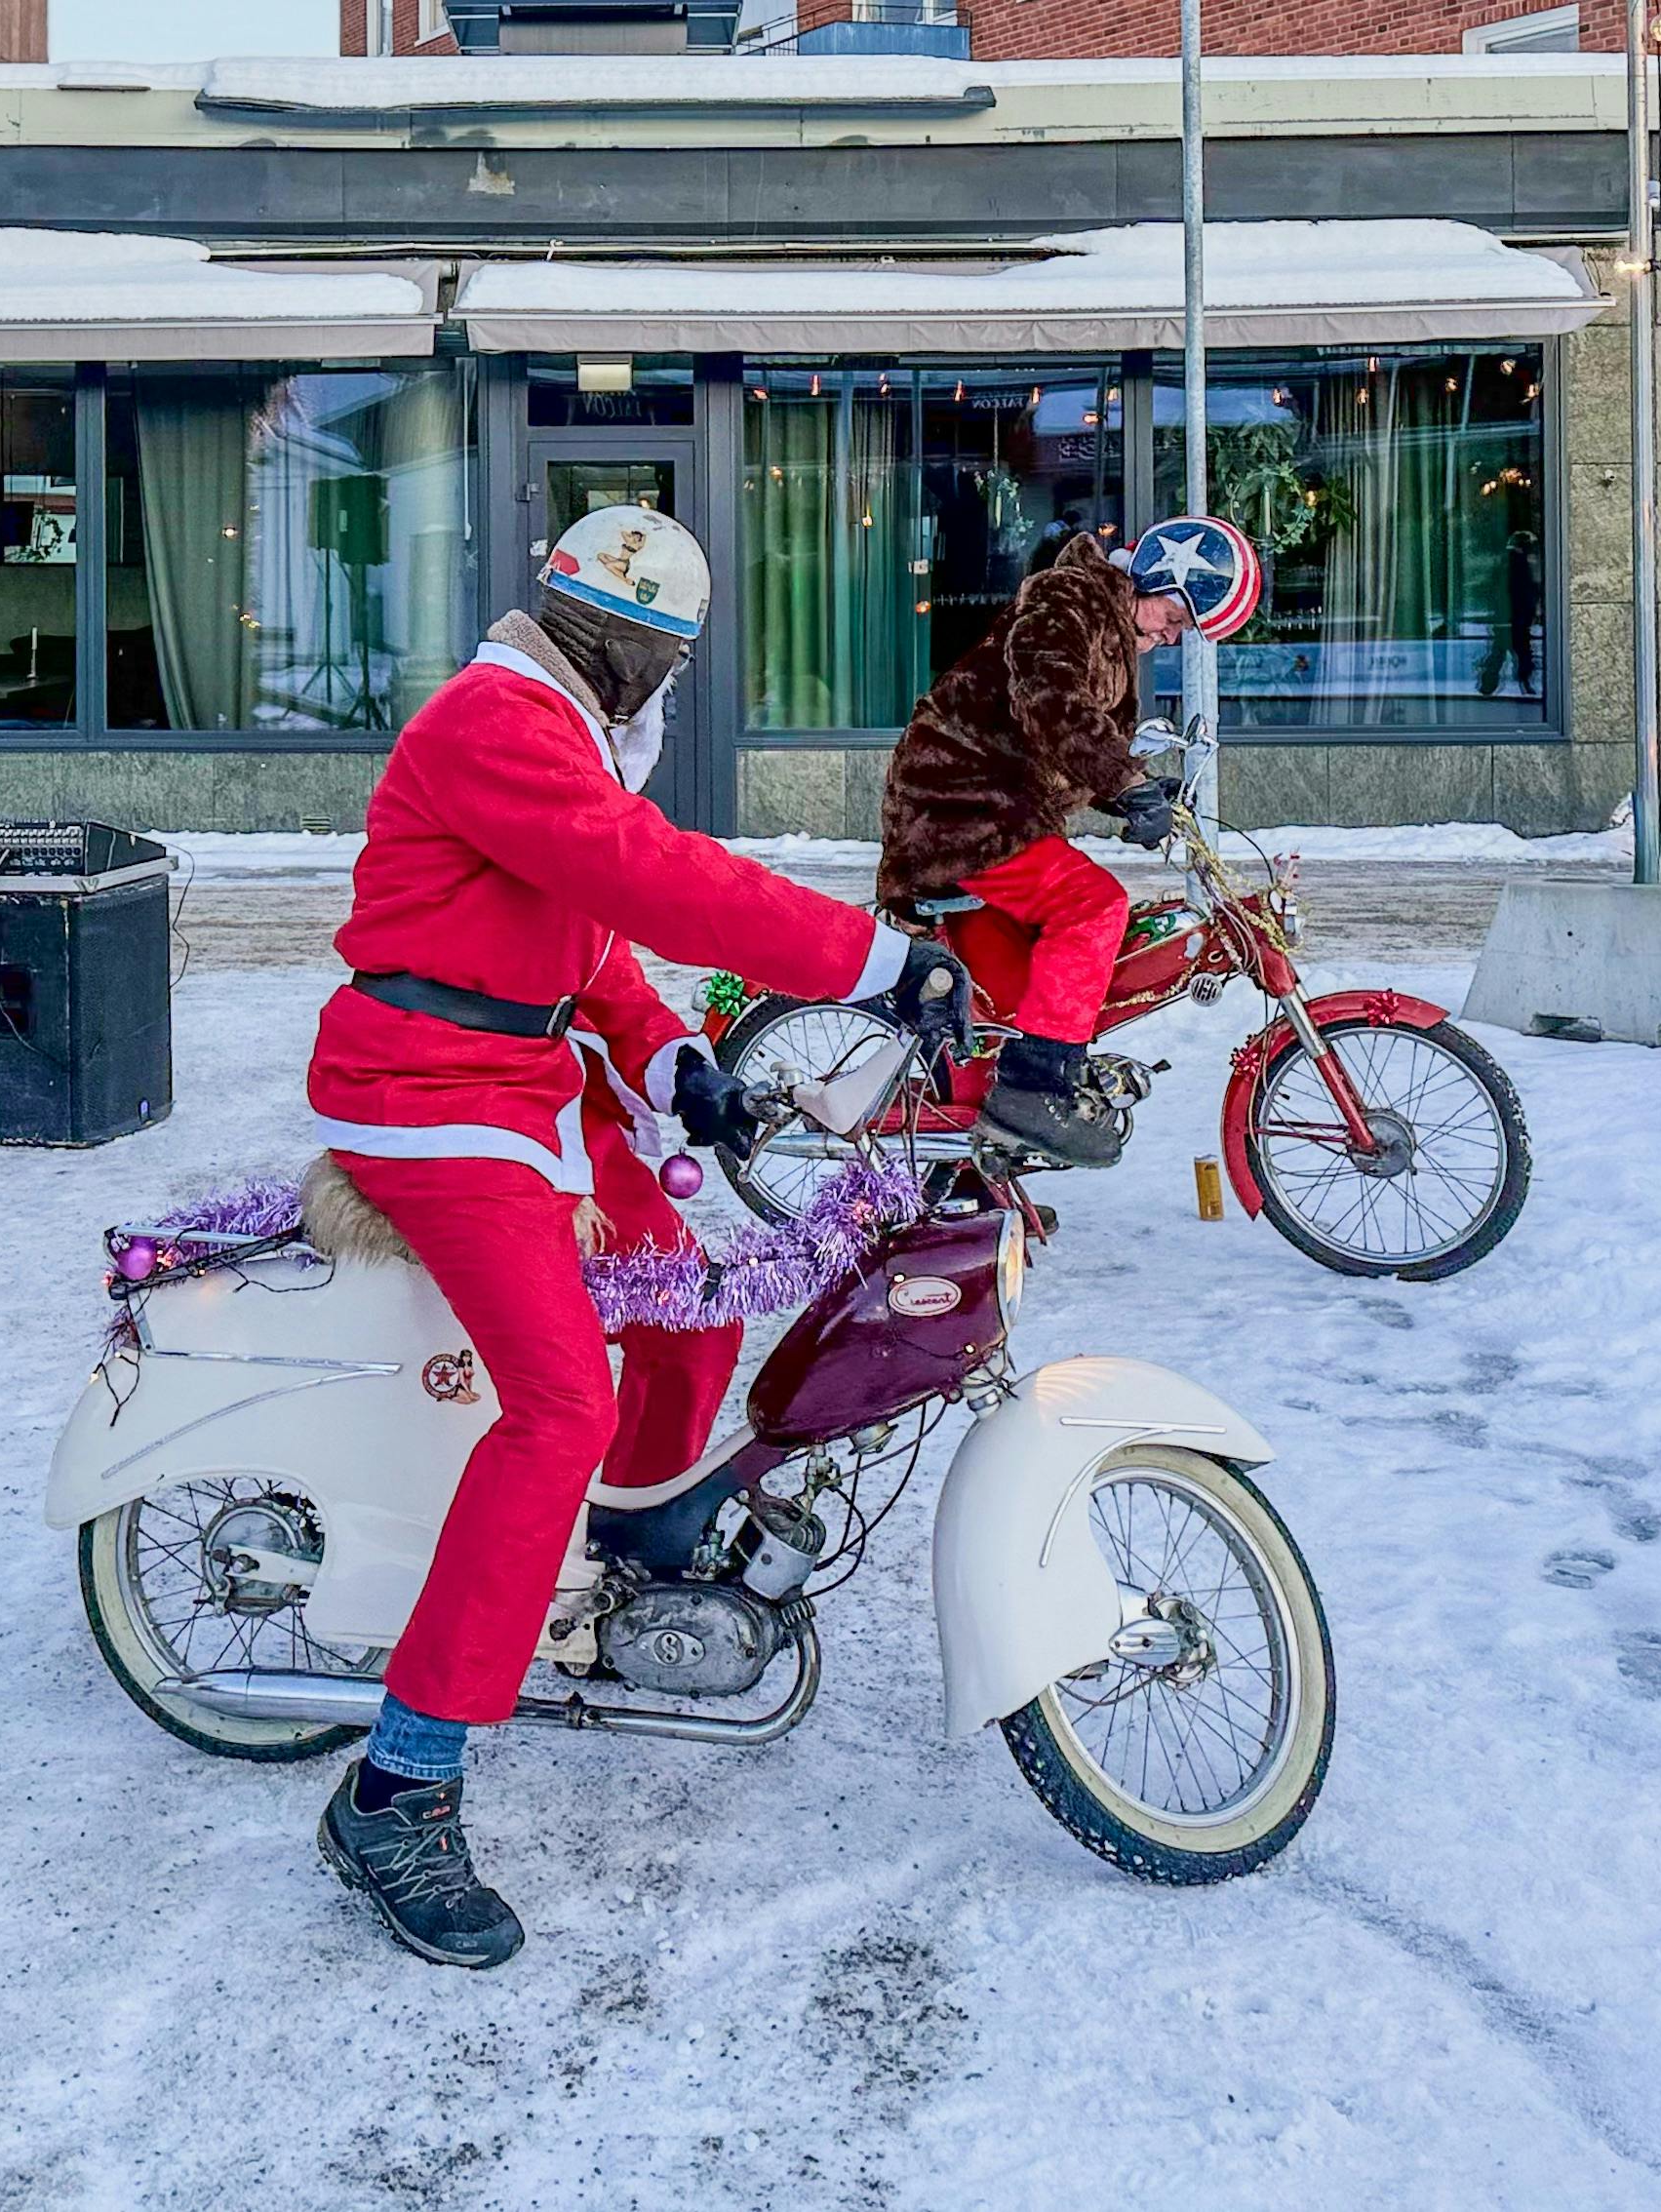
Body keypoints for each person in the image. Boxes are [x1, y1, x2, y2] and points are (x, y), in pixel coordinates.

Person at [304, 502, 969, 1970]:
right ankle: (399, 1788)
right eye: (647, 655)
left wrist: (681, 1067)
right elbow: (653, 877)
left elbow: (592, 949)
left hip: (514, 1084)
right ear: (618, 653)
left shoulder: (556, 732)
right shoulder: (497, 722)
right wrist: (877, 960)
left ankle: (615, 1557)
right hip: (428, 1097)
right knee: (560, 1406)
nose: (650, 677)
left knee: (690, 1301)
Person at [875, 515, 1258, 1167]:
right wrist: (1125, 781)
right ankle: (1036, 1089)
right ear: (1154, 580)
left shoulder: (1105, 626)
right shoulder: (1066, 601)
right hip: (961, 811)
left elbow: (1061, 744)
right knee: (1093, 905)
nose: (1171, 635)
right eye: (1174, 617)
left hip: (998, 809)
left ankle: (977, 1167)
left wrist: (1134, 790)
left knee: (1009, 1008)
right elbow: (1050, 701)